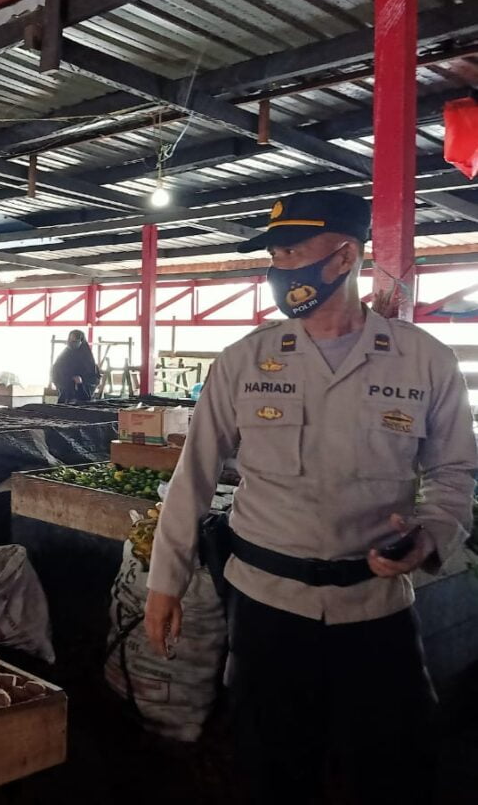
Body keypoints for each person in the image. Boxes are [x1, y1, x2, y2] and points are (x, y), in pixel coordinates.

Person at [143, 191, 477, 805]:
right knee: (273, 768)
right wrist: (165, 581)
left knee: (396, 770)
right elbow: (192, 476)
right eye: (273, 252)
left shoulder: (422, 361)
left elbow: (455, 471)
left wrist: (428, 535)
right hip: (268, 607)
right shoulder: (245, 360)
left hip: (375, 610)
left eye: (293, 250)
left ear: (343, 256)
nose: (279, 265)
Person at [51, 329, 99, 403]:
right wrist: (68, 379)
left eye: (76, 341)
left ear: (81, 341)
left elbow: (93, 377)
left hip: (83, 395)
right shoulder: (63, 355)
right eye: (71, 341)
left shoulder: (87, 356)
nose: (73, 343)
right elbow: (56, 371)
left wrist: (81, 382)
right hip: (66, 392)